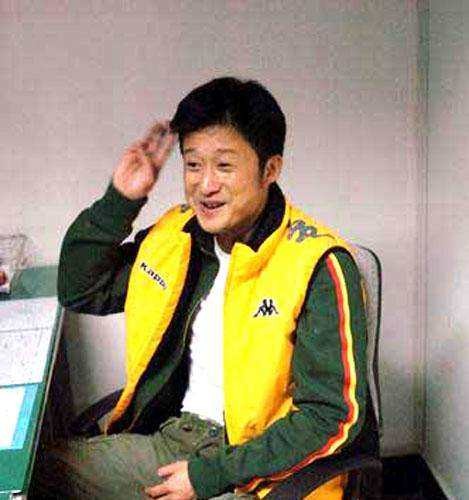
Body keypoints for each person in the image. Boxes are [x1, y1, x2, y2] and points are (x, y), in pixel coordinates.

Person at [31, 77, 374, 499]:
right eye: (193, 165)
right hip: (176, 441)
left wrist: (210, 475)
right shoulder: (177, 238)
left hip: (263, 471)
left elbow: (330, 417)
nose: (205, 185)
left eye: (224, 166)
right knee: (35, 476)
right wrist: (120, 199)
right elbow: (81, 288)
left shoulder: (317, 263)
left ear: (270, 170)